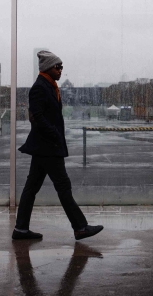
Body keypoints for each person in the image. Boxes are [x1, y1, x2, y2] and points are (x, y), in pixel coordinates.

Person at [13, 50, 103, 241]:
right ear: (48, 68)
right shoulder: (40, 88)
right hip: (47, 146)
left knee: (32, 187)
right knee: (63, 186)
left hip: (44, 146)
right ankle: (80, 227)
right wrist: (53, 133)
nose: (61, 70)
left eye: (61, 67)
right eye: (58, 67)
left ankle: (21, 229)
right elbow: (36, 116)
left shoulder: (49, 86)